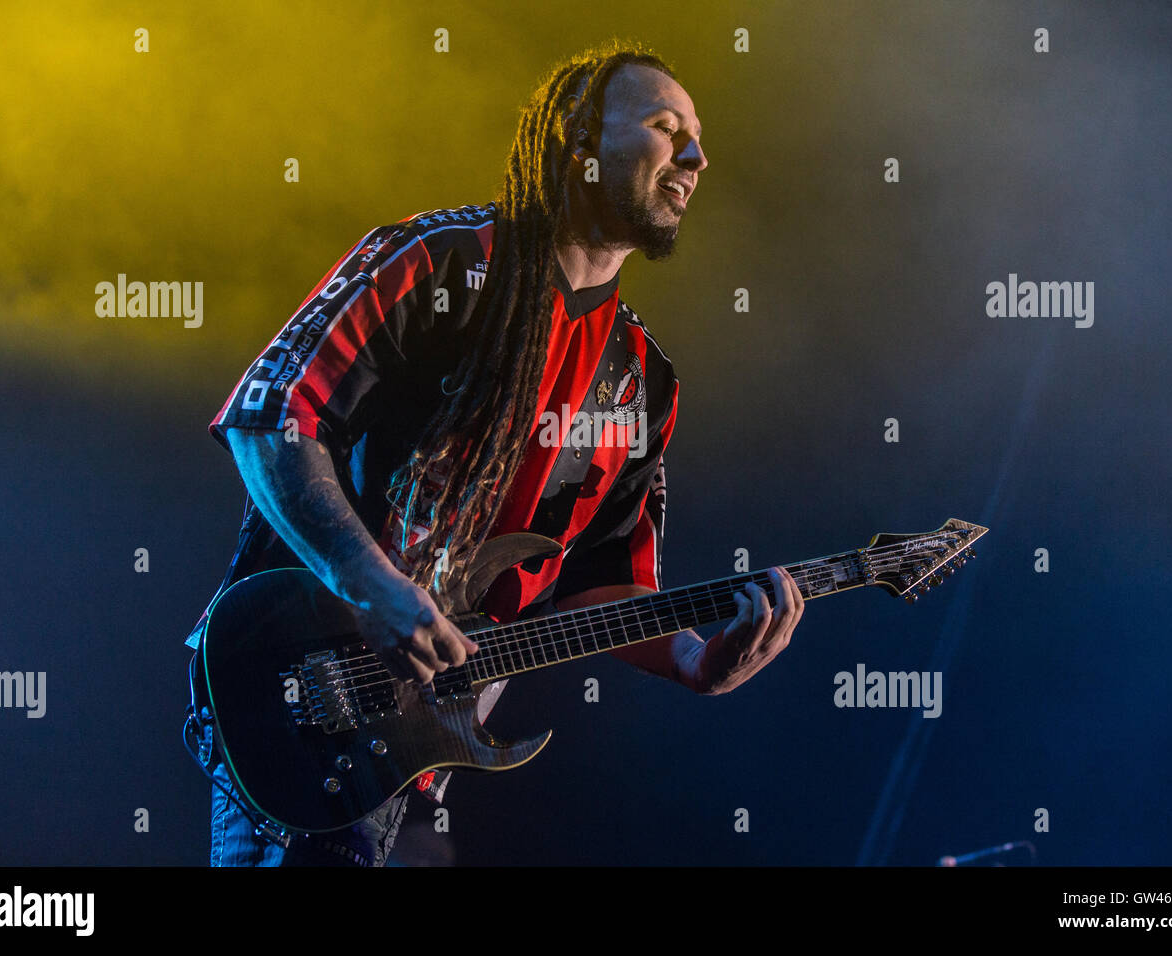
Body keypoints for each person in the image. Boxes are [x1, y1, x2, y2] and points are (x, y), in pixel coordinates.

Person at [186, 41, 804, 867]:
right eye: (665, 128)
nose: (695, 157)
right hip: (304, 703)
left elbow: (605, 582)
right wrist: (372, 588)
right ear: (579, 145)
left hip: (427, 762)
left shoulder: (642, 381)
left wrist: (696, 660)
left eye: (698, 138)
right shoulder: (434, 262)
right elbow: (271, 419)